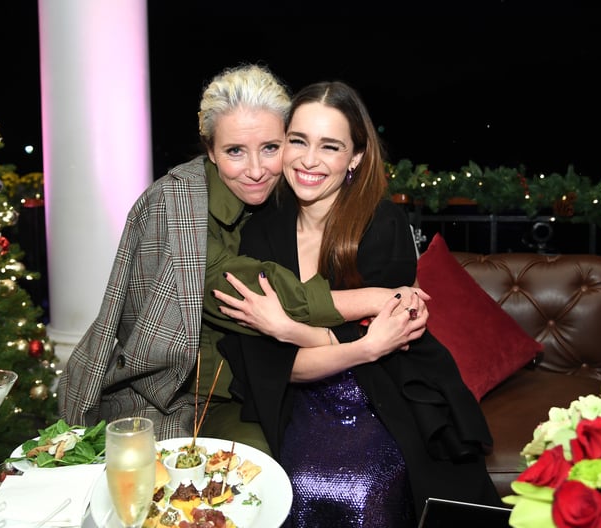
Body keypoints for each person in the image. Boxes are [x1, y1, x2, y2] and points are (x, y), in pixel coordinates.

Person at [57, 64, 419, 451]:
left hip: (244, 396)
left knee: (269, 481)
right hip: (161, 397)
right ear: (210, 151)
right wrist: (380, 296)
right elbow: (247, 286)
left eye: (271, 148)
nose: (257, 170)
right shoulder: (177, 204)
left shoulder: (287, 199)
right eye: (234, 151)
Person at [214, 81, 500, 527]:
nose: (309, 160)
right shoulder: (258, 234)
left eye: (330, 146)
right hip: (299, 401)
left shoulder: (382, 224)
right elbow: (273, 369)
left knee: (361, 487)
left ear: (356, 158)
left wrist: (289, 330)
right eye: (298, 141)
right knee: (289, 485)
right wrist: (360, 344)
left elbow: (388, 348)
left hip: (380, 396)